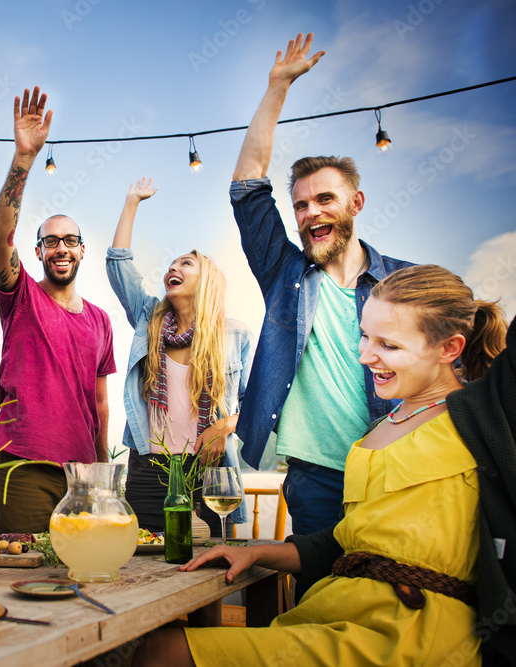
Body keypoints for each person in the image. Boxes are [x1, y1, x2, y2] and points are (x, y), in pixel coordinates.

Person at [133, 264, 510, 667]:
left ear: (449, 349)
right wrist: (256, 553)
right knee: (161, 644)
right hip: (335, 610)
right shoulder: (377, 429)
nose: (365, 355)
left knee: (164, 653)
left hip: (410, 636)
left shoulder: (483, 417)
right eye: (364, 336)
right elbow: (341, 542)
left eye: (389, 345)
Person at [228, 34, 414, 595]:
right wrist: (277, 86)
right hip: (314, 477)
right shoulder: (285, 275)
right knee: (326, 600)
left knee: (394, 596)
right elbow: (246, 189)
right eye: (302, 204)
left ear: (356, 203)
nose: (311, 213)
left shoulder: (402, 283)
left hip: (391, 471)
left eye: (325, 200)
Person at [0, 86, 117, 534]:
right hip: (24, 462)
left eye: (69, 241)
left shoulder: (100, 320)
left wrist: (102, 470)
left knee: (82, 575)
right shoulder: (21, 294)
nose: (61, 248)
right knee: (23, 576)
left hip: (82, 475)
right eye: (50, 242)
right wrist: (24, 157)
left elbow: (100, 403)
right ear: (37, 252)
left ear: (82, 251)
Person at [106, 178, 250, 537]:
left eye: (186, 263)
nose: (175, 268)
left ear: (207, 282)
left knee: (211, 571)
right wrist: (131, 201)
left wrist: (224, 426)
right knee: (141, 562)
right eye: (172, 265)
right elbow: (119, 266)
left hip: (208, 469)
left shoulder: (234, 335)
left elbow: (259, 403)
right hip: (149, 468)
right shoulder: (149, 320)